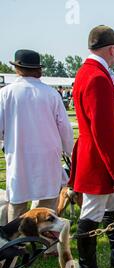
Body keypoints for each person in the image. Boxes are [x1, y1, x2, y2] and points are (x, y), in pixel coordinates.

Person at [70, 25, 114, 268]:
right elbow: (103, 129)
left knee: (110, 207)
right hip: (99, 159)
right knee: (92, 213)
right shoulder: (97, 77)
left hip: (97, 156)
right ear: (111, 50)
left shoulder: (89, 72)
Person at [0, 49, 73, 222]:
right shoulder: (51, 94)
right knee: (47, 209)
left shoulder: (5, 94)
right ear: (38, 70)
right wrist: (69, 151)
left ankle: (17, 246)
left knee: (17, 208)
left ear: (17, 69)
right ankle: (46, 247)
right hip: (48, 161)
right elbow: (65, 128)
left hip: (19, 160)